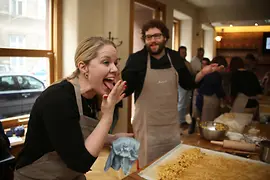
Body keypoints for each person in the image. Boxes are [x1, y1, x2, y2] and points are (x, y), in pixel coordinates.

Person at [14, 37, 133, 180]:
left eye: (116, 62)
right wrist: (108, 115)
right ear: (83, 67)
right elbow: (81, 162)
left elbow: (75, 135)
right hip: (36, 176)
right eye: (106, 62)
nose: (115, 69)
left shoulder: (91, 97)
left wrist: (112, 139)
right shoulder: (58, 99)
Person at [122, 19, 223, 168]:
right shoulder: (137, 60)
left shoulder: (175, 58)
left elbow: (188, 83)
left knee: (170, 165)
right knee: (147, 167)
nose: (152, 41)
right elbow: (126, 89)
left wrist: (203, 72)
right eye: (148, 37)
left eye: (157, 36)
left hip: (169, 125)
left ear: (165, 38)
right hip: (146, 125)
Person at [196, 56, 227, 122]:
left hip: (203, 96)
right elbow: (218, 89)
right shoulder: (215, 74)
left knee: (204, 119)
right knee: (209, 120)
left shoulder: (209, 72)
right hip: (210, 98)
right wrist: (224, 97)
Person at [177, 46, 192, 128]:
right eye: (182, 52)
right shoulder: (177, 62)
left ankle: (182, 120)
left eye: (185, 52)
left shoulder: (186, 62)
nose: (184, 54)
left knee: (185, 104)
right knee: (181, 103)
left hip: (188, 85)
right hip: (181, 85)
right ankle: (177, 121)